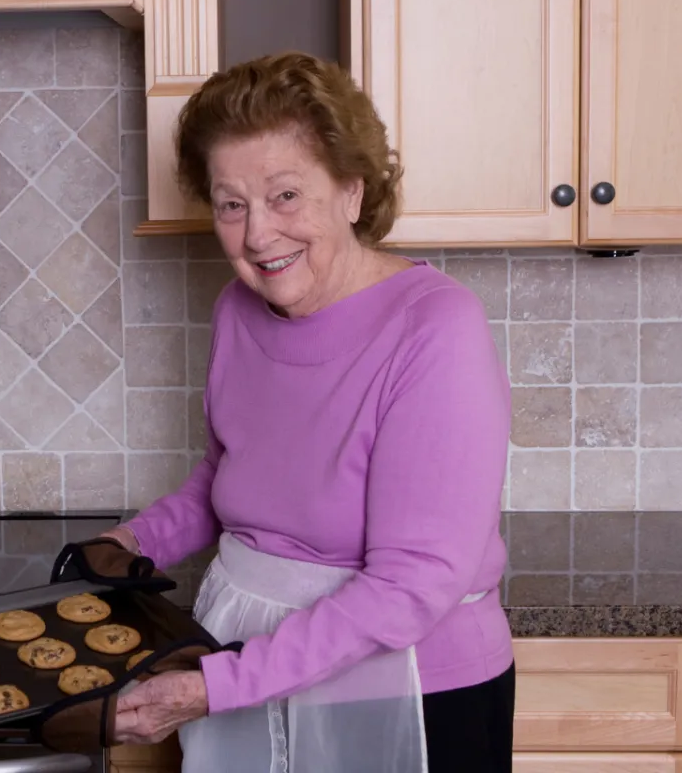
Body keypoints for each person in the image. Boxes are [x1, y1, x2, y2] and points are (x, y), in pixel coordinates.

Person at [104, 51, 514, 772]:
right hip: (243, 663)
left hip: (409, 688)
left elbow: (410, 585)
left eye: (285, 195)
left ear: (352, 192)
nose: (258, 234)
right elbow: (230, 476)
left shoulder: (435, 327)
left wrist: (216, 685)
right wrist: (131, 545)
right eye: (232, 204)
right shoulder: (239, 308)